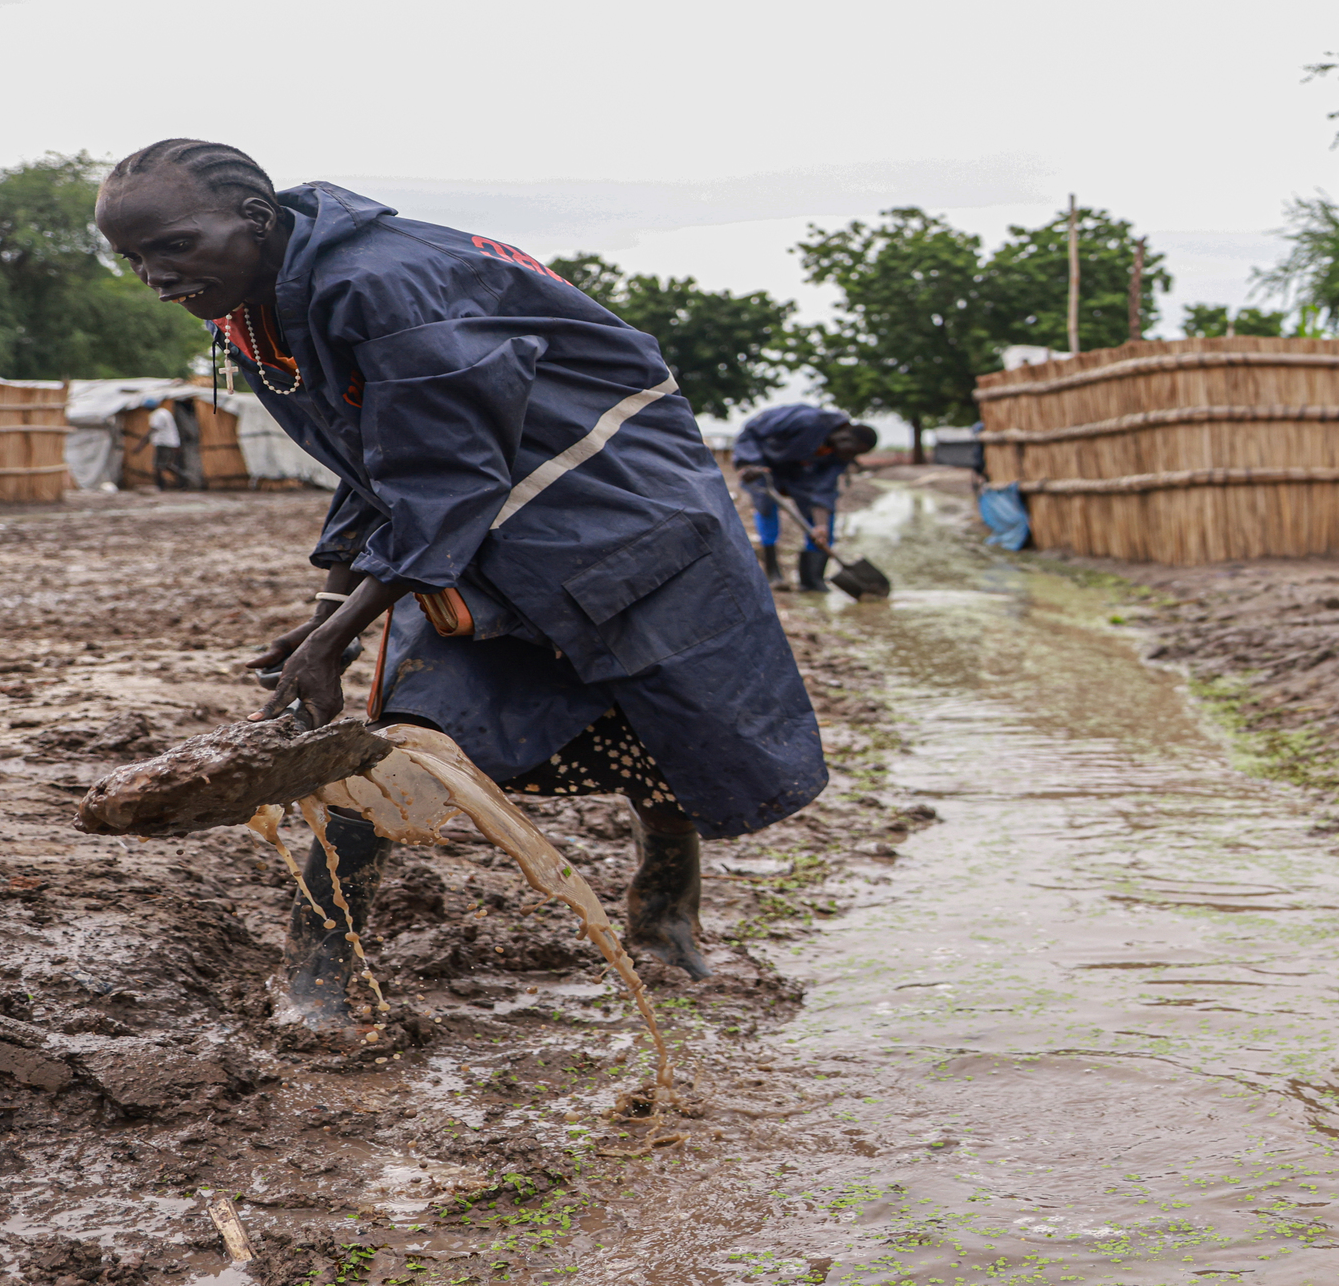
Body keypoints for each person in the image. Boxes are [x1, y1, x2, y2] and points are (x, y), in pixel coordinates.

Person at [92, 138, 830, 1027]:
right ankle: (324, 971)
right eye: (134, 259)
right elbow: (374, 461)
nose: (154, 276)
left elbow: (442, 470)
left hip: (620, 512)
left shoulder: (381, 285)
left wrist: (338, 633)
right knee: (399, 732)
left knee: (661, 717)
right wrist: (332, 611)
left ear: (253, 220)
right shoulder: (256, 307)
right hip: (485, 529)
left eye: (173, 246)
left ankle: (666, 917)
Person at [731, 404, 877, 592]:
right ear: (845, 436)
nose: (849, 456)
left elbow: (824, 489)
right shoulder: (806, 419)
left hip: (800, 471)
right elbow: (752, 430)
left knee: (823, 519)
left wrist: (821, 525)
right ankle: (773, 571)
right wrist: (747, 462)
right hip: (763, 463)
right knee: (766, 506)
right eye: (851, 449)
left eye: (855, 454)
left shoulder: (839, 457)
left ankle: (811, 580)